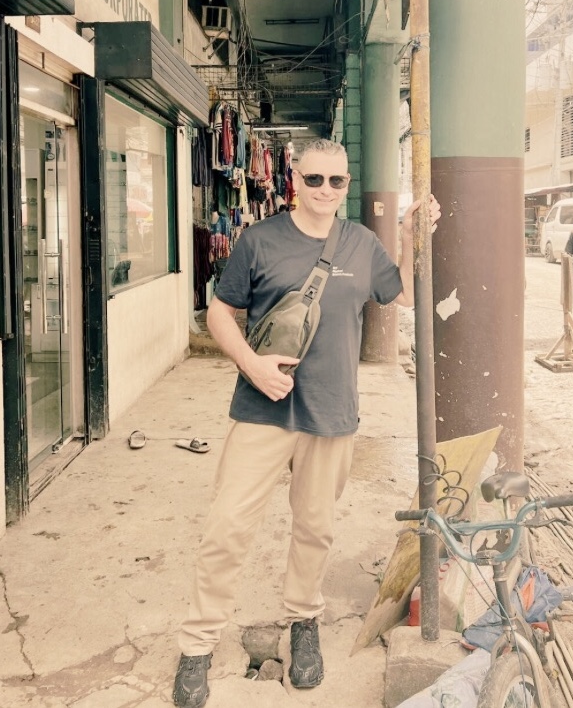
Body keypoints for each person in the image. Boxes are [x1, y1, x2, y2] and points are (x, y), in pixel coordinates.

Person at [173, 139, 440, 707]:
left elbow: (400, 297)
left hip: (331, 411)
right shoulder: (259, 240)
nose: (325, 191)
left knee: (314, 529)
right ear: (294, 178)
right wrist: (251, 363)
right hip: (261, 408)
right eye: (314, 179)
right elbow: (220, 311)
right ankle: (198, 643)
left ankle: (304, 620)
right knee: (228, 528)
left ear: (346, 185)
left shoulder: (361, 243)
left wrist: (415, 237)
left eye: (336, 182)